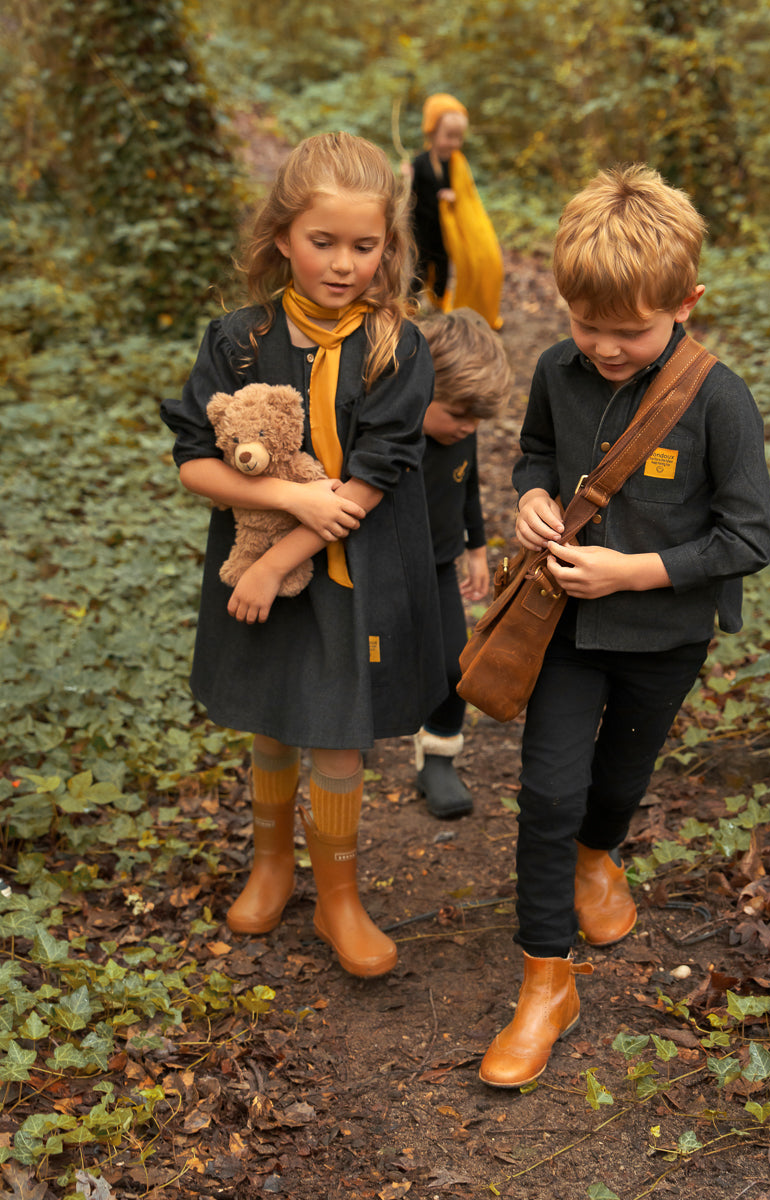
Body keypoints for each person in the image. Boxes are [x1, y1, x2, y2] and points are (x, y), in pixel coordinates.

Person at [479, 164, 770, 1088]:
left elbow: (748, 537)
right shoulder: (553, 371)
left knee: (613, 788)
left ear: (685, 303)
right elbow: (534, 450)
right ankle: (545, 983)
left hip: (664, 638)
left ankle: (600, 856)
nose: (603, 348)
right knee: (547, 794)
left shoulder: (717, 400)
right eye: (584, 325)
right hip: (564, 627)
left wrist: (631, 572)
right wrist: (530, 496)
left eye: (628, 331)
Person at [160, 131, 446, 979]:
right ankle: (272, 865)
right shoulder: (238, 341)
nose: (343, 263)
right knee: (272, 718)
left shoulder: (398, 348)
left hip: (343, 578)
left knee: (336, 738)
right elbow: (193, 461)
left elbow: (370, 483)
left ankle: (337, 896)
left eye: (364, 246)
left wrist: (279, 558)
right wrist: (285, 500)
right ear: (283, 235)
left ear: (388, 247)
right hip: (258, 564)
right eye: (323, 242)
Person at [414, 309, 512, 817]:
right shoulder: (392, 431)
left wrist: (476, 548)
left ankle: (438, 754)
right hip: (384, 565)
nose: (468, 427)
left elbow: (467, 482)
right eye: (457, 414)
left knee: (456, 661)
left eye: (477, 420)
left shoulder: (461, 428)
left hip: (438, 561)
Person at [405, 93, 503, 330]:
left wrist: (454, 197)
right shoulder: (419, 162)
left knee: (441, 270)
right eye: (449, 136)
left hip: (444, 234)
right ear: (431, 132)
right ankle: (409, 309)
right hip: (420, 230)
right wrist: (407, 179)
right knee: (417, 268)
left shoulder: (457, 164)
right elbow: (410, 197)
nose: (454, 143)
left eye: (458, 138)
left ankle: (438, 306)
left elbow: (467, 197)